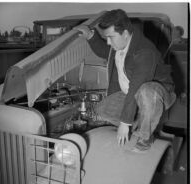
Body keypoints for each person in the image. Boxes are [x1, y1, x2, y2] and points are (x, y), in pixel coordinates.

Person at [75, 9, 176, 152]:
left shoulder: (144, 52)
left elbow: (137, 86)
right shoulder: (122, 43)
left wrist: (124, 122)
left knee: (146, 92)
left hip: (158, 93)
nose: (109, 42)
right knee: (102, 110)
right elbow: (105, 52)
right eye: (106, 38)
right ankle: (139, 126)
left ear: (126, 33)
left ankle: (145, 138)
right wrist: (90, 35)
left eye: (111, 37)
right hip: (132, 92)